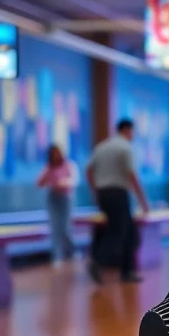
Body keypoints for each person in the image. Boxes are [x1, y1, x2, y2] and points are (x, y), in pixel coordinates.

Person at [85, 119, 149, 284]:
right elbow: (132, 175)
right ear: (128, 130)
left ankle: (127, 272)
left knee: (128, 231)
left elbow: (88, 171)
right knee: (118, 231)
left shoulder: (101, 147)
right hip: (119, 193)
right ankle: (97, 262)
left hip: (103, 194)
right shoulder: (125, 147)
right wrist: (143, 201)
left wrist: (96, 190)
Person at [37, 144, 77, 265]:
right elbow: (39, 183)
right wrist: (49, 181)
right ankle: (56, 256)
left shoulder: (68, 165)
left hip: (65, 199)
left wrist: (62, 182)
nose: (55, 155)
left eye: (57, 153)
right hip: (53, 198)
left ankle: (73, 251)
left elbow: (72, 181)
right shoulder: (48, 167)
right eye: (52, 153)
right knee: (55, 228)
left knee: (65, 227)